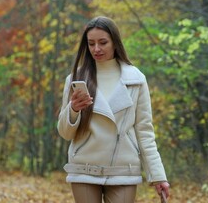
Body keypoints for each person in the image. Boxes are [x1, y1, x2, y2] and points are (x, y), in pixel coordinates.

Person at [57, 16, 170, 203]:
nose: (96, 49)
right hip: (84, 168)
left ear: (115, 43)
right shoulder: (76, 79)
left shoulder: (136, 79)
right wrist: (73, 110)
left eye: (103, 42)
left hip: (123, 169)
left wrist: (158, 176)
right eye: (91, 43)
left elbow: (145, 132)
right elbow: (65, 133)